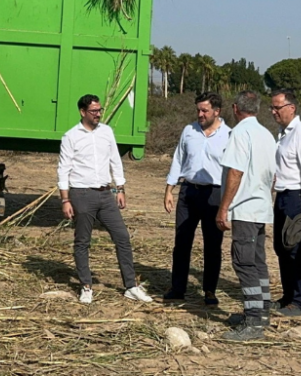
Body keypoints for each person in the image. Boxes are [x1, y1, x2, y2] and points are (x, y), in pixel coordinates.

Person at [58, 94, 152, 305]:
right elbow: (63, 169)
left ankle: (130, 286)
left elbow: (115, 161)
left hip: (105, 194)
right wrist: (65, 200)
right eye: (93, 111)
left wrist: (120, 188)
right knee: (83, 241)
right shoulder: (71, 136)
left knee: (122, 237)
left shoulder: (106, 132)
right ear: (83, 112)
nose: (98, 114)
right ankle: (86, 286)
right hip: (81, 194)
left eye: (99, 110)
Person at [215, 91, 278, 342]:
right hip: (261, 206)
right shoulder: (266, 134)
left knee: (244, 263)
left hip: (244, 208)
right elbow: (273, 175)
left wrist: (224, 207)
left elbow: (236, 172)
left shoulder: (240, 133)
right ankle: (261, 313)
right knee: (258, 261)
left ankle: (253, 321)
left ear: (235, 108)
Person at [162, 91, 231, 305]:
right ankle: (178, 288)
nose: (200, 114)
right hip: (188, 192)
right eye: (198, 110)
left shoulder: (229, 135)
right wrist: (169, 189)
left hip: (214, 195)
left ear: (217, 112)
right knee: (182, 242)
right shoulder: (189, 131)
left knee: (212, 244)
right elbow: (178, 159)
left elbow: (233, 171)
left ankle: (209, 290)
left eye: (205, 110)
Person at [269, 89, 301, 316]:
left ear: (291, 107)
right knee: (281, 248)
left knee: (296, 251)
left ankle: (299, 302)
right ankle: (287, 296)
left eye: (277, 108)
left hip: (296, 198)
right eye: (272, 108)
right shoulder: (282, 133)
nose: (273, 112)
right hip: (281, 197)